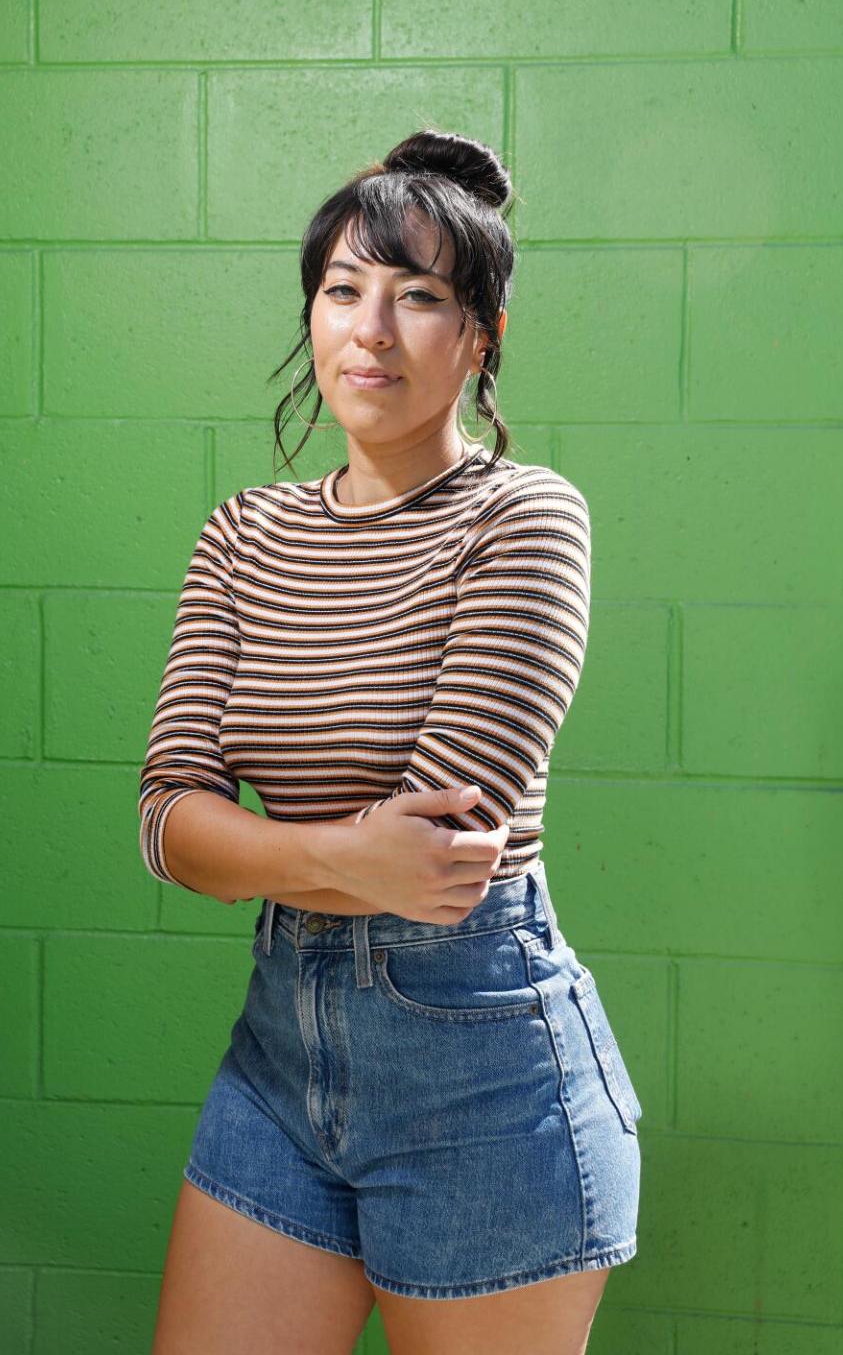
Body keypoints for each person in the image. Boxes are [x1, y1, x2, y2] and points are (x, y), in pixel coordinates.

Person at [142, 128, 643, 1355]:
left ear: (482, 340)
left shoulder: (525, 516)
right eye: (343, 290)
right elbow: (165, 819)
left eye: (419, 297)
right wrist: (338, 855)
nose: (371, 330)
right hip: (277, 1064)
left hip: (485, 1079)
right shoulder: (242, 536)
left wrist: (256, 846)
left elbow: (438, 852)